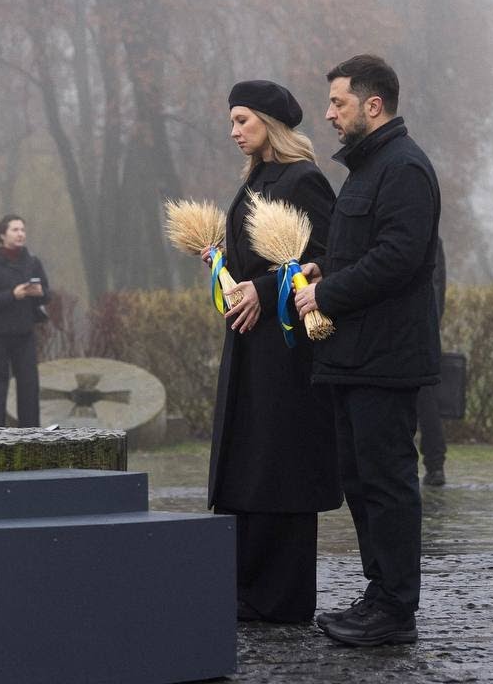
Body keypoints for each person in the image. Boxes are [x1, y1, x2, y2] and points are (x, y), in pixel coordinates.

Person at [294, 55, 441, 646]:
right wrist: (324, 269)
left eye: (339, 103)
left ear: (372, 105)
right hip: (354, 357)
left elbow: (399, 257)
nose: (329, 114)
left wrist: (327, 292)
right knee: (361, 482)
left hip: (385, 359)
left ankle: (396, 610)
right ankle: (379, 595)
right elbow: (365, 252)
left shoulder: (404, 168)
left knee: (387, 483)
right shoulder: (369, 168)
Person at [206, 80, 340, 624]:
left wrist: (262, 290)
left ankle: (280, 596)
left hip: (285, 350)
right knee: (248, 463)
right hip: (249, 344)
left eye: (243, 120)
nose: (234, 131)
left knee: (279, 465)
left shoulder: (302, 178)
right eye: (232, 122)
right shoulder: (255, 180)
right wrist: (223, 267)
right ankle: (247, 587)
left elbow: (328, 255)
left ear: (270, 122)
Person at [0, 215, 48, 427]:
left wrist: (40, 293)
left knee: (29, 387)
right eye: (15, 230)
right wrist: (12, 295)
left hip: (25, 334)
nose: (20, 234)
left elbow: (47, 294)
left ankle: (30, 435)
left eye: (23, 230)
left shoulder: (33, 262)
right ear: (2, 235)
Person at [417, 237, 447, 486]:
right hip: (424, 331)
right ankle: (435, 464)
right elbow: (439, 289)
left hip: (412, 332)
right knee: (426, 401)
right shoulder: (434, 242)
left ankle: (435, 463)